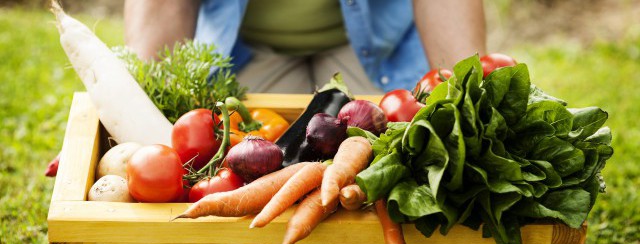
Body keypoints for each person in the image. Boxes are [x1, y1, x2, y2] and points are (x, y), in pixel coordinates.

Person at [124, 0, 486, 94]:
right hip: (245, 46)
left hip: (379, 46)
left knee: (407, 158)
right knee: (245, 166)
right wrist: (145, 111)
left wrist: (468, 100)